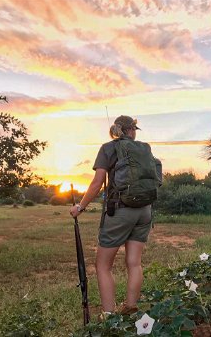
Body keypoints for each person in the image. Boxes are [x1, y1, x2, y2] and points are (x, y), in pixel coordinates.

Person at [70, 115, 156, 318]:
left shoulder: (108, 148)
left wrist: (80, 207)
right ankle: (131, 307)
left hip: (121, 210)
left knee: (103, 265)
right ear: (131, 130)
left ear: (115, 130)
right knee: (134, 262)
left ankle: (109, 315)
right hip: (145, 210)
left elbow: (97, 182)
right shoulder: (144, 148)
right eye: (134, 129)